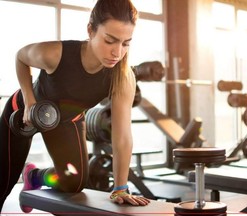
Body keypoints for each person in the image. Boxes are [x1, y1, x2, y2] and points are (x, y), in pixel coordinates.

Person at [0, 0, 165, 213]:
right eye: (110, 41)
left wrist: (120, 187)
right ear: (90, 30)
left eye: (125, 43)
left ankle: (34, 176)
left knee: (74, 182)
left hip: (66, 120)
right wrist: (30, 100)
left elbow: (122, 136)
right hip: (23, 113)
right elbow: (21, 57)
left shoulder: (123, 77)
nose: (117, 52)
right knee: (3, 182)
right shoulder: (55, 53)